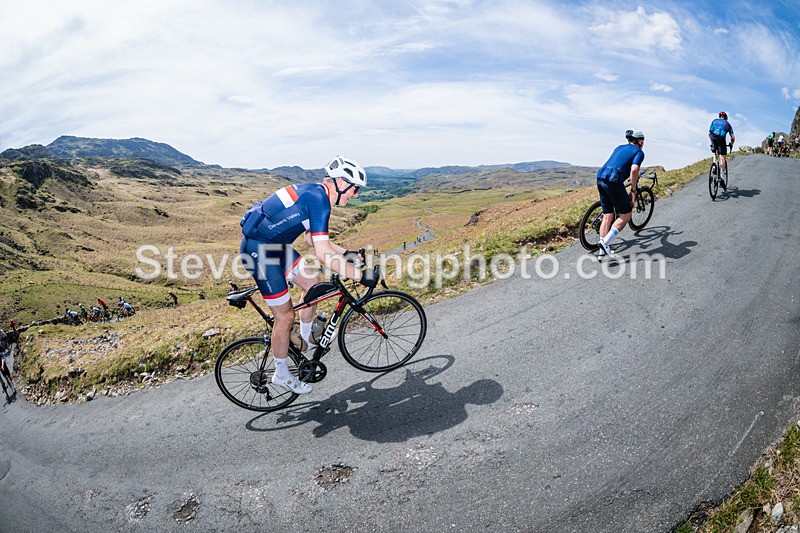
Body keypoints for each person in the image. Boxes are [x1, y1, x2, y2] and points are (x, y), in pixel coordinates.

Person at [238, 155, 376, 394]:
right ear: (342, 183)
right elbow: (322, 253)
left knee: (312, 282)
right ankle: (281, 373)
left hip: (276, 247)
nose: (356, 195)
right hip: (258, 251)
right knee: (285, 316)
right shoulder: (319, 200)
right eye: (355, 189)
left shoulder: (316, 194)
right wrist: (360, 277)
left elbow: (311, 239)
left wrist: (346, 254)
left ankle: (305, 337)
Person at [595, 129, 646, 257]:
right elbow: (634, 170)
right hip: (613, 181)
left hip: (601, 177)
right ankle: (605, 242)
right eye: (643, 141)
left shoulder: (619, 147)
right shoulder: (639, 152)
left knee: (608, 215)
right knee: (626, 215)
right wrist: (633, 191)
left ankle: (602, 252)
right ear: (640, 141)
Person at [708, 112, 735, 188]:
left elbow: (709, 132)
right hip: (721, 138)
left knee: (715, 151)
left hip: (713, 136)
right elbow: (732, 137)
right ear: (726, 117)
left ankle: (714, 166)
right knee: (723, 157)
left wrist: (712, 141)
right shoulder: (728, 124)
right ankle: (722, 178)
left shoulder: (714, 121)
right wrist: (731, 144)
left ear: (719, 117)